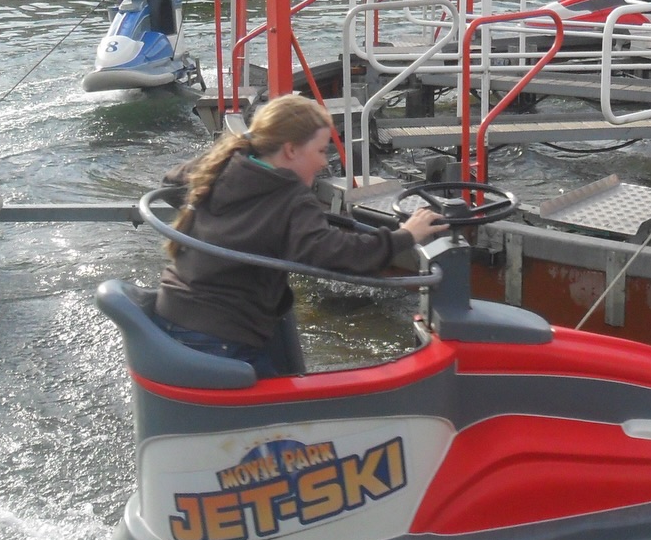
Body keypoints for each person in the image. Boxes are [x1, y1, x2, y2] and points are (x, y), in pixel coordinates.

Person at [155, 96, 448, 378]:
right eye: (321, 151)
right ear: (291, 150)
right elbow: (333, 252)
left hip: (173, 312)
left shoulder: (224, 164)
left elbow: (171, 182)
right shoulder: (291, 198)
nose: (324, 163)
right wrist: (405, 236)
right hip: (221, 339)